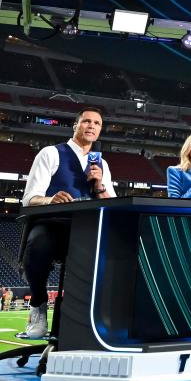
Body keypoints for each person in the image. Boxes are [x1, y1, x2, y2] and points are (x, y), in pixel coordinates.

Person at [19, 107, 116, 340]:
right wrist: (50, 199)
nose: (91, 126)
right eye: (86, 121)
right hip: (53, 222)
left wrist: (99, 184)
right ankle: (38, 304)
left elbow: (111, 203)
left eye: (97, 123)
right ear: (76, 125)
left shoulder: (101, 165)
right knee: (38, 246)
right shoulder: (51, 153)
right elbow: (30, 198)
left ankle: (86, 317)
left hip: (87, 227)